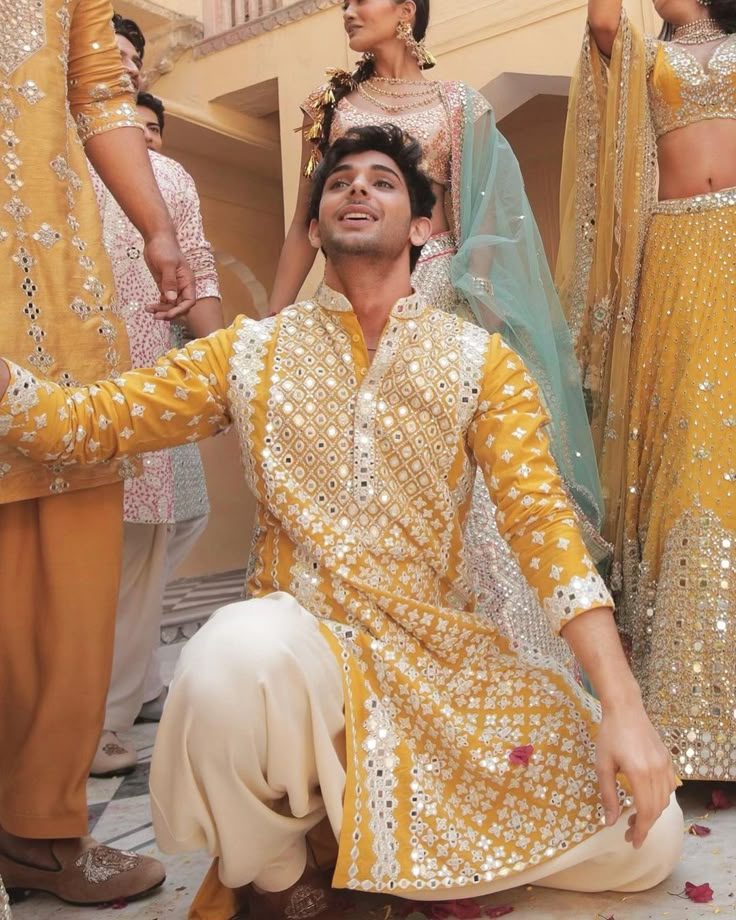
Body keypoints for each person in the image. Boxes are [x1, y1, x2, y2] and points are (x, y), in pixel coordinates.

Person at [0, 125, 683, 920]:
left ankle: (380, 855)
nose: (357, 189)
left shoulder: (478, 362)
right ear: (316, 226)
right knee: (228, 654)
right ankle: (287, 882)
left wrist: (624, 709)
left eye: (383, 181)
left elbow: (544, 530)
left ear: (424, 228)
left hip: (448, 673)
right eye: (339, 182)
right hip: (307, 664)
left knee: (653, 835)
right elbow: (87, 421)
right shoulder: (250, 353)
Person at [270, 0, 608, 672]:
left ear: (405, 11)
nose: (348, 10)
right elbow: (305, 227)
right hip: (347, 309)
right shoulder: (332, 106)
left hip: (441, 306)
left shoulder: (461, 106)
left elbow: (481, 223)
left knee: (462, 488)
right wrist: (272, 324)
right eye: (342, 3)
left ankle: (493, 662)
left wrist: (450, 303)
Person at [0, 0, 197, 905]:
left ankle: (40, 829)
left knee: (75, 550)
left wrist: (157, 227)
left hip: (59, 288)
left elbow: (98, 95)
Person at [557, 0, 736, 781]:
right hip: (671, 255)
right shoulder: (639, 53)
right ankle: (690, 717)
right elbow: (601, 28)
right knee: (688, 452)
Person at [88, 24, 224, 779]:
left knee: (139, 557)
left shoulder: (168, 180)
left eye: (134, 60)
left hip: (144, 393)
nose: (125, 67)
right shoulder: (45, 153)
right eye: (112, 53)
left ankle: (105, 721)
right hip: (60, 387)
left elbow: (196, 272)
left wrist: (231, 368)